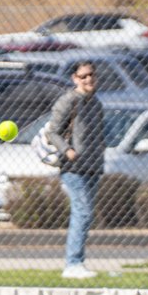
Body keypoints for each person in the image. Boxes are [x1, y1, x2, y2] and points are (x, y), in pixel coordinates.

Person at [48, 61, 106, 280]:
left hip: (93, 167)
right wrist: (68, 150)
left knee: (85, 215)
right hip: (73, 168)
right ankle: (73, 264)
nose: (88, 79)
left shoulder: (96, 103)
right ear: (75, 79)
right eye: (83, 76)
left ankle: (77, 262)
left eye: (91, 75)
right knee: (83, 213)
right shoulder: (68, 101)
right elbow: (53, 132)